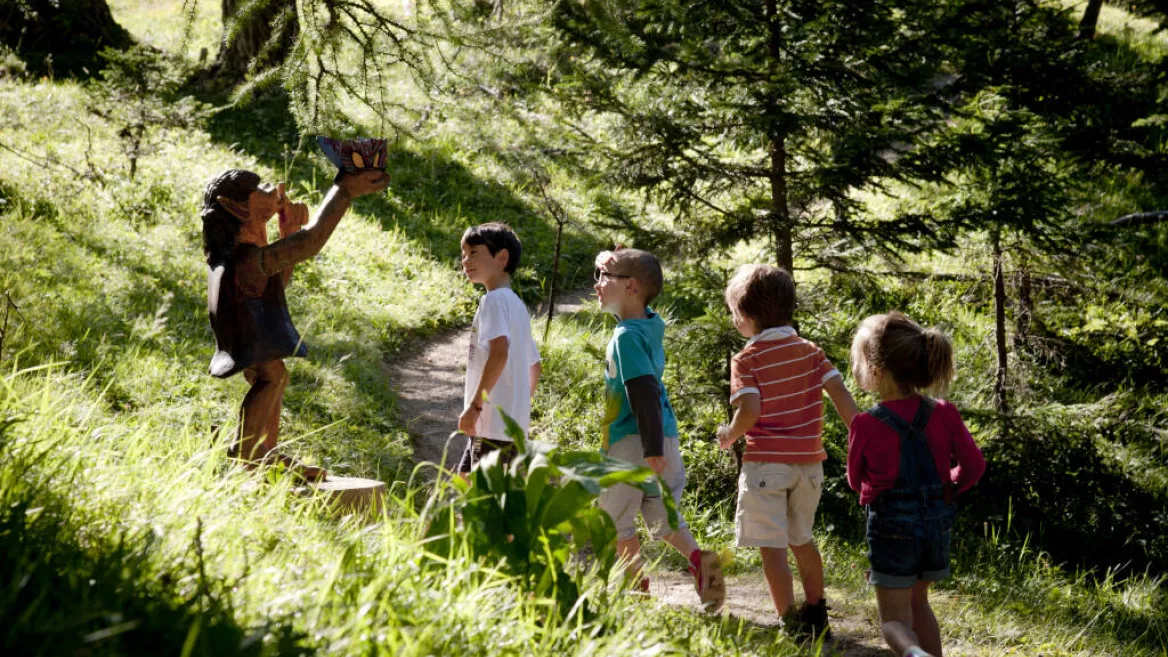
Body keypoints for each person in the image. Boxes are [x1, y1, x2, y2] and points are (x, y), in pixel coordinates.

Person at [201, 167, 390, 481]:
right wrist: (343, 192)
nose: (273, 191)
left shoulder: (246, 257)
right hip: (246, 334)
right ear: (235, 207)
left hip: (250, 329)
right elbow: (310, 243)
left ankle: (262, 450)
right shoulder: (246, 258)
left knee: (275, 376)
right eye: (261, 188)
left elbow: (274, 283)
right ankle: (248, 450)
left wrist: (286, 231)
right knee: (270, 376)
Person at [716, 264, 859, 638]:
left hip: (766, 465)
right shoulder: (811, 352)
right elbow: (842, 397)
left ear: (746, 317)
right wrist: (861, 436)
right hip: (809, 466)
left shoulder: (747, 359)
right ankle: (817, 613)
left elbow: (750, 412)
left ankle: (789, 621)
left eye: (734, 314)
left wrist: (730, 433)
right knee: (802, 539)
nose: (734, 322)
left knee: (772, 547)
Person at [593, 248, 726, 613]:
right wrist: (658, 448)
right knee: (663, 518)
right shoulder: (651, 325)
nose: (597, 285)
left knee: (615, 518)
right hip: (664, 437)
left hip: (632, 441)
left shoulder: (625, 336)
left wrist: (649, 448)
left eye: (604, 278)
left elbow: (644, 390)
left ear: (631, 286)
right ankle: (700, 559)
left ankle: (635, 590)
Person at [847, 311, 986, 657]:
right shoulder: (943, 412)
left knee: (893, 622)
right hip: (935, 524)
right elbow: (974, 466)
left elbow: (855, 480)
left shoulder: (865, 423)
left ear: (876, 372)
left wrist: (876, 492)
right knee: (919, 603)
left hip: (892, 527)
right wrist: (949, 487)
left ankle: (913, 653)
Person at [456, 223, 542, 474]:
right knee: (465, 479)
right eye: (463, 254)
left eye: (474, 253)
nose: (465, 260)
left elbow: (499, 352)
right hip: (507, 424)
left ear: (502, 257)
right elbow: (534, 366)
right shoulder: (516, 305)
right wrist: (517, 406)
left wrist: (474, 408)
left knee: (484, 500)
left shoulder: (492, 301)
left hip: (490, 423)